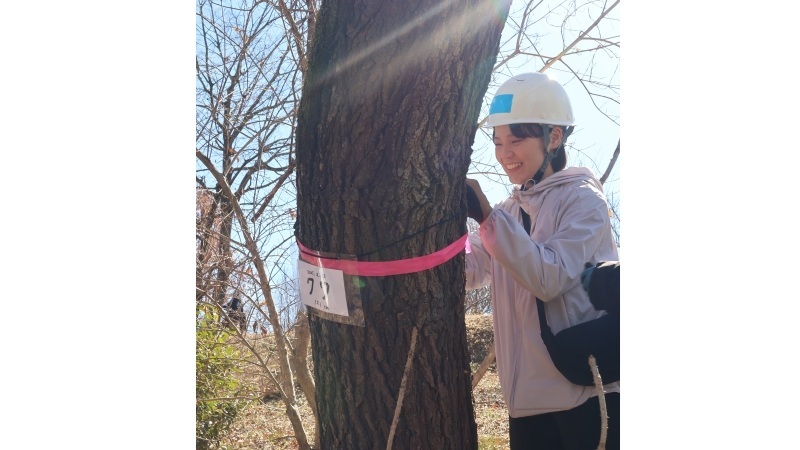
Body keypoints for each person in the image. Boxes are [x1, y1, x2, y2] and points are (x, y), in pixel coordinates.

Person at [465, 72, 619, 449]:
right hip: (525, 406)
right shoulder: (507, 213)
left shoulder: (583, 201)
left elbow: (549, 277)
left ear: (553, 137)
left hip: (586, 394)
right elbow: (470, 271)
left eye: (516, 140)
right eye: (498, 141)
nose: (504, 154)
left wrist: (486, 217)